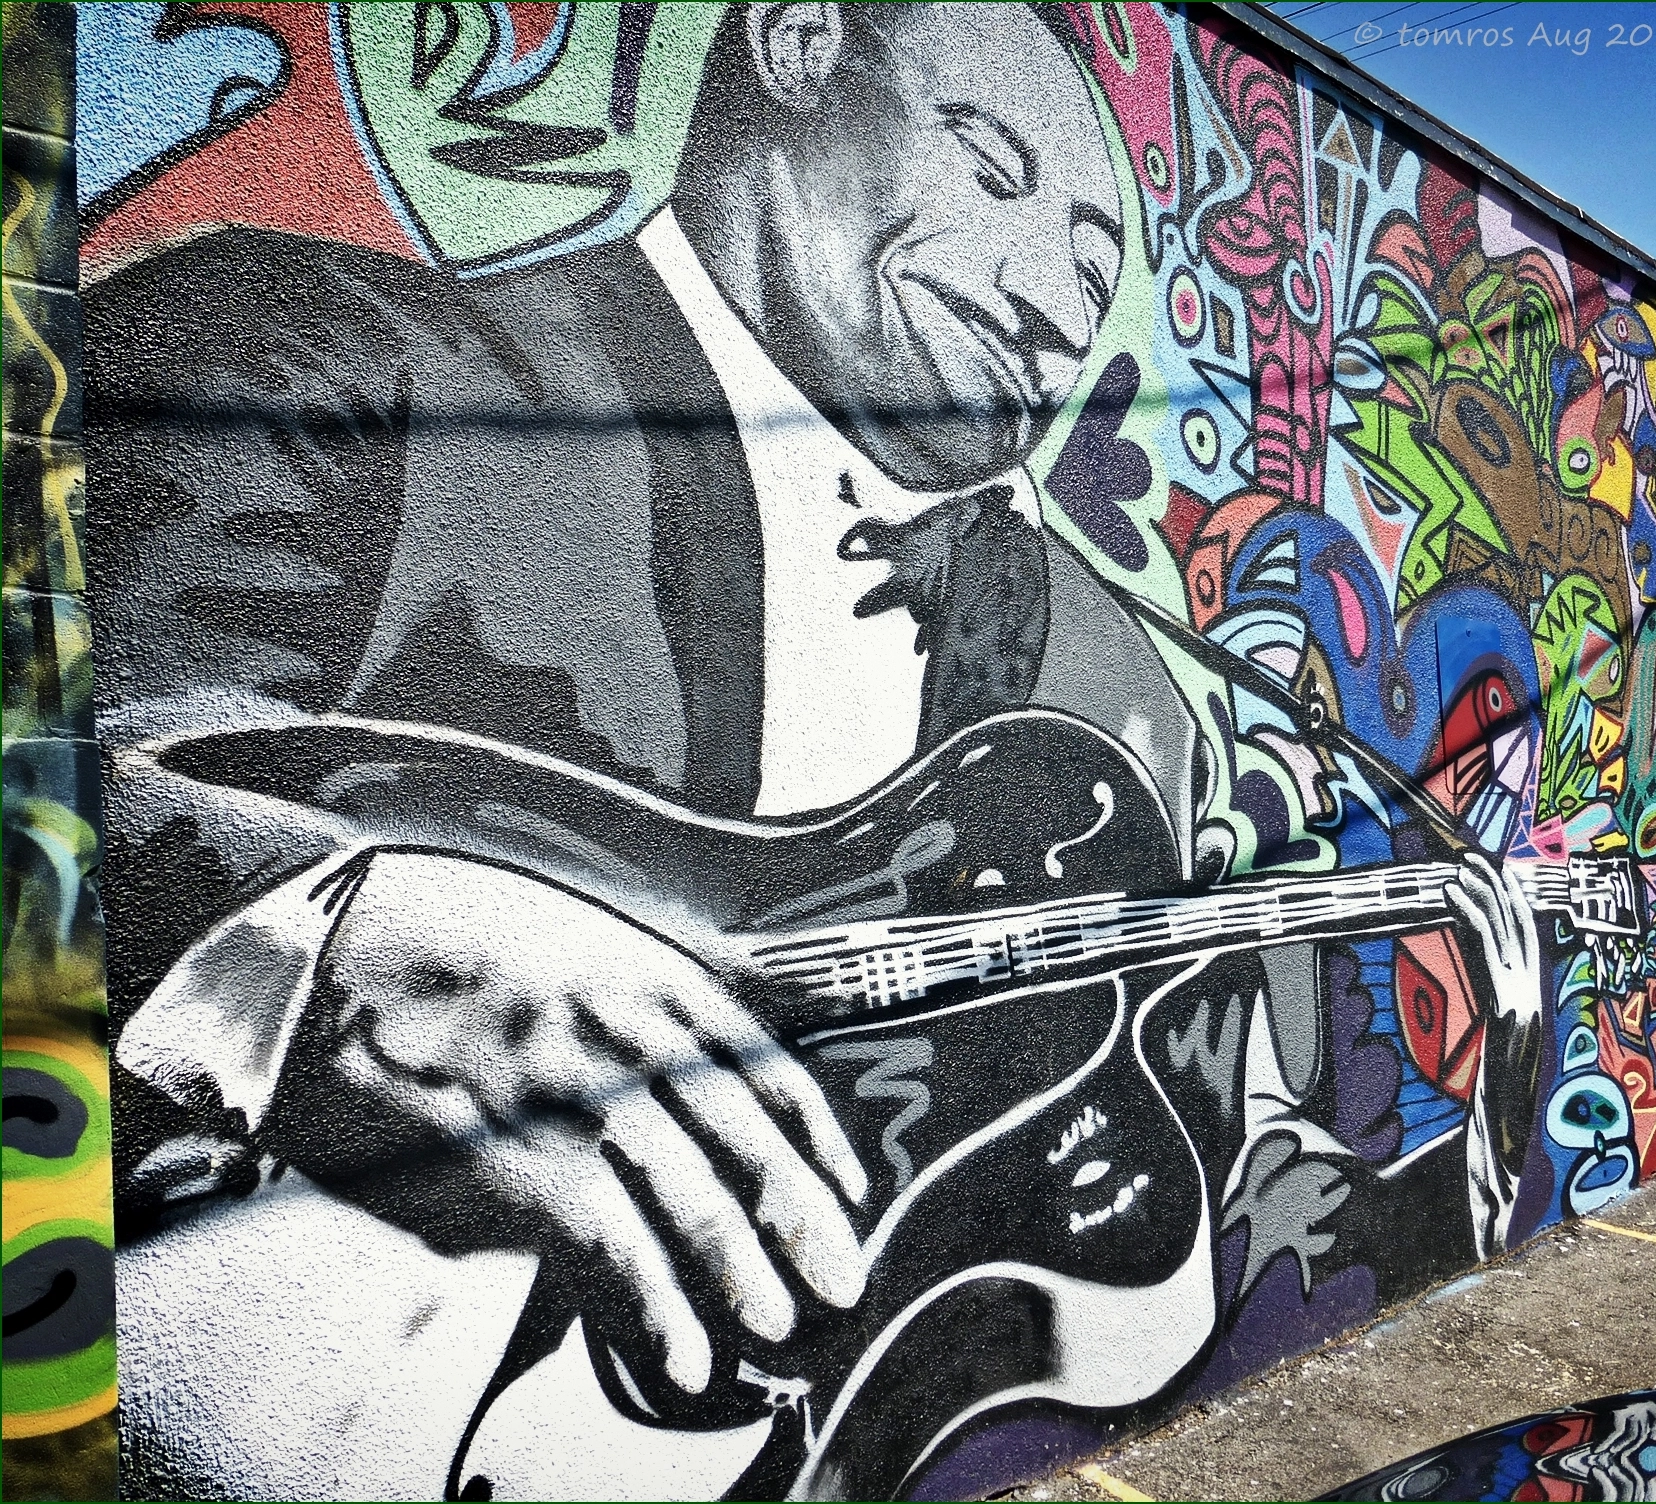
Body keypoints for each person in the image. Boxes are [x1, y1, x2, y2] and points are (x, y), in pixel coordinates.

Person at [88, 6, 1544, 1498]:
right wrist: (321, 952)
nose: (1055, 301)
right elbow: (66, 798)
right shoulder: (315, 360)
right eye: (994, 171)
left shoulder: (1110, 682)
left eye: (1101, 270)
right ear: (794, 45)